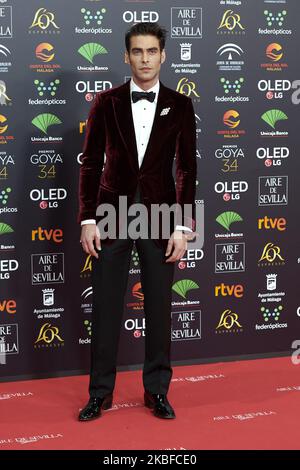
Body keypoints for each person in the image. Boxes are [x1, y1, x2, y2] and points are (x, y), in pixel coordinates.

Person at [77, 22, 197, 421]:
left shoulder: (181, 105)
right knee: (107, 306)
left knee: (160, 308)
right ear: (126, 56)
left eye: (151, 51)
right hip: (112, 213)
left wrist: (182, 227)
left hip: (162, 216)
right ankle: (99, 394)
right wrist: (87, 219)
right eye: (137, 51)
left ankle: (157, 392)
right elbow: (92, 164)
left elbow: (186, 170)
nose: (145, 58)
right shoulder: (105, 103)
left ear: (163, 55)